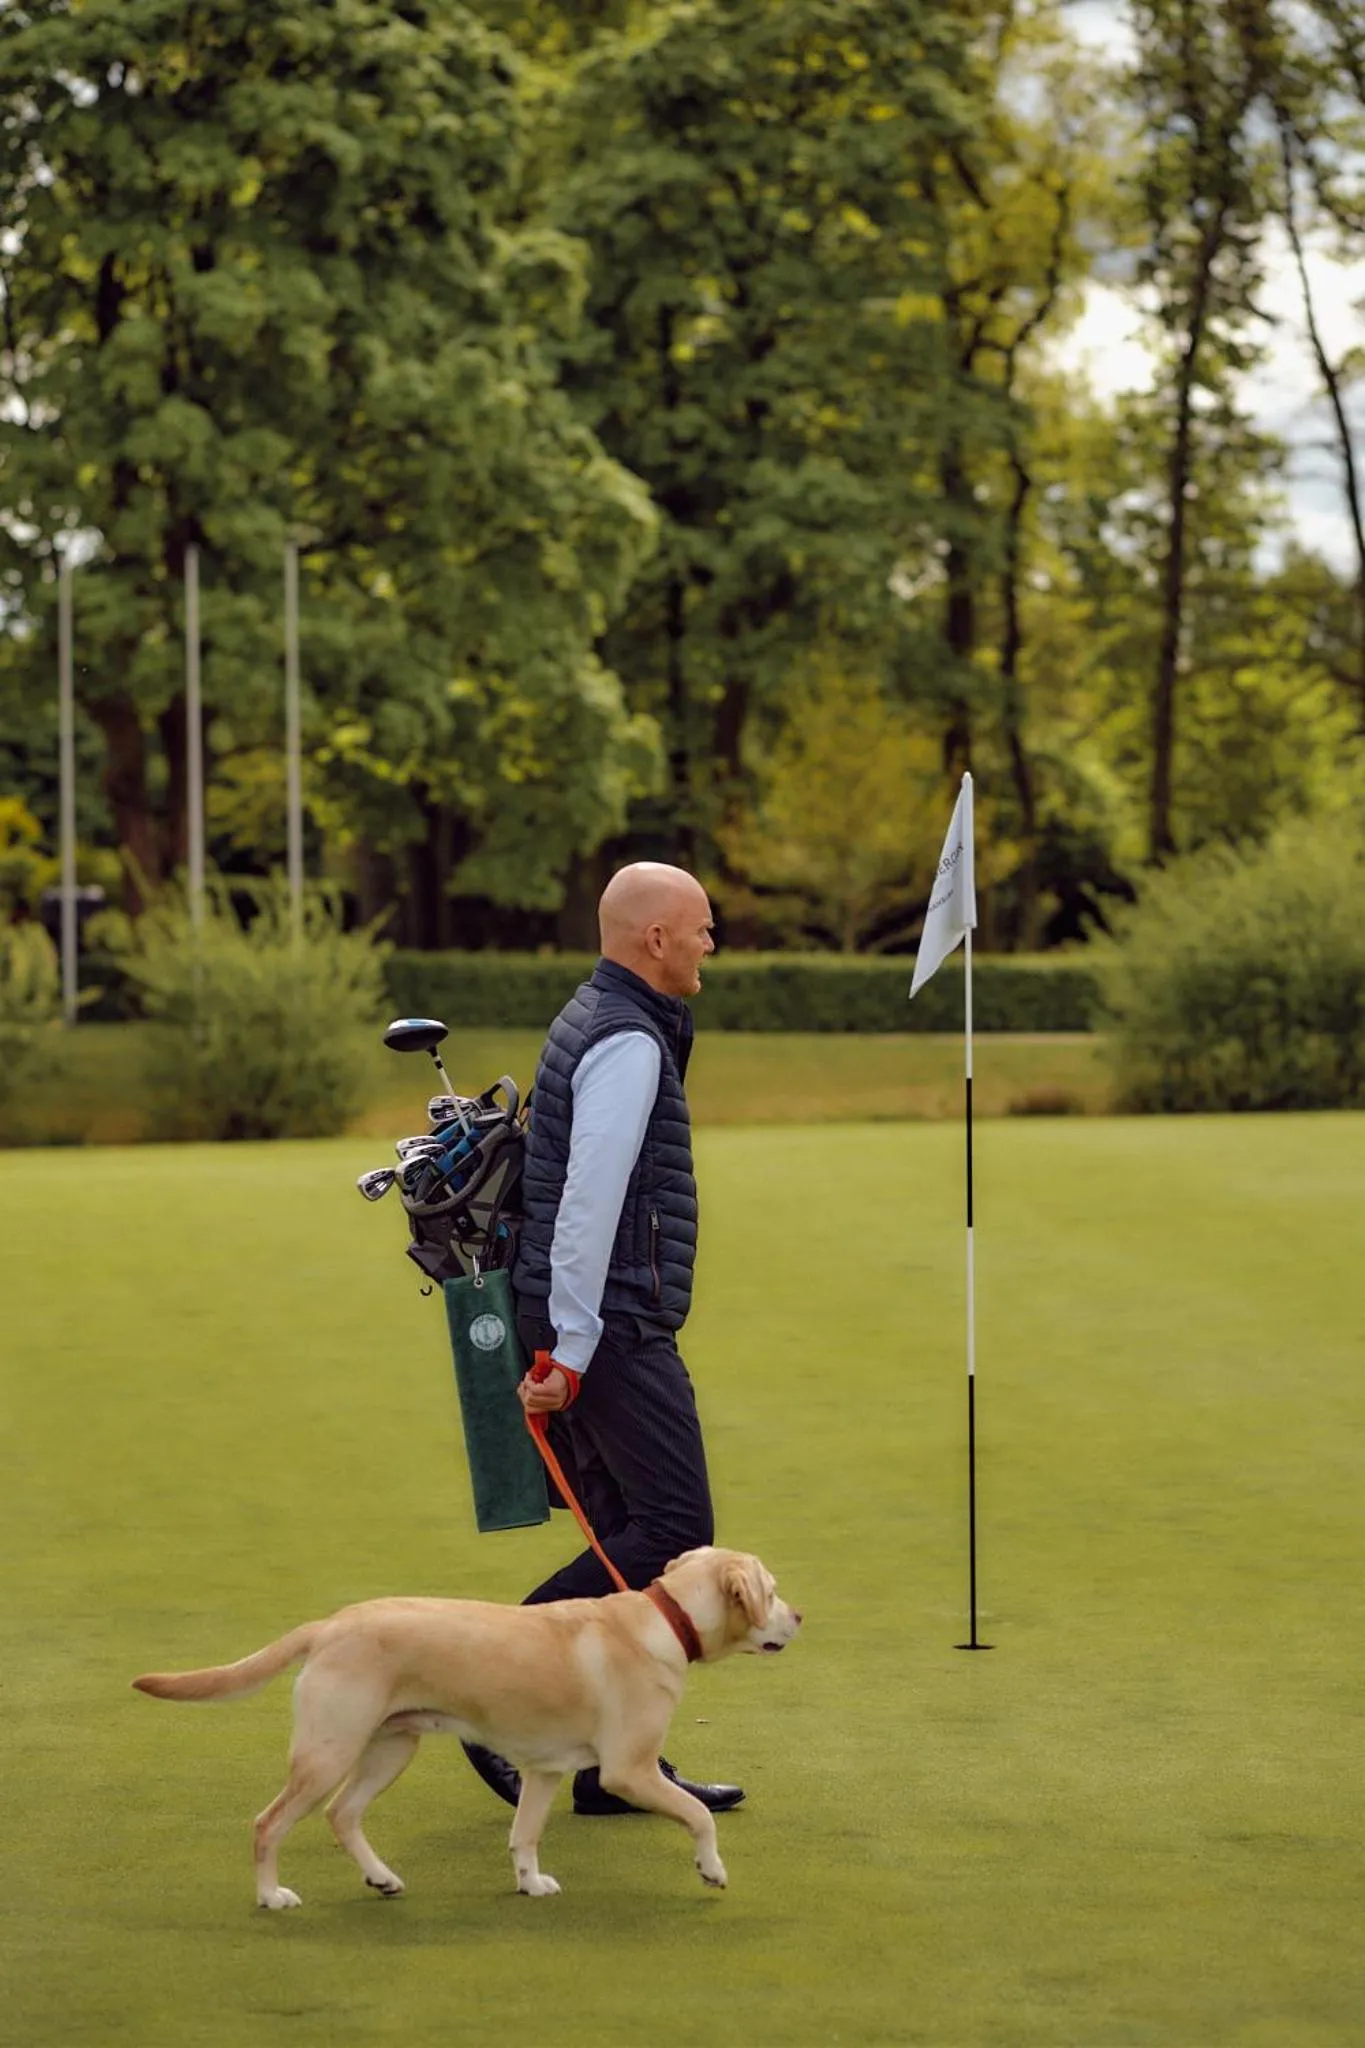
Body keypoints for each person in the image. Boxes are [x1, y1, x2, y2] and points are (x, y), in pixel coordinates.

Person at [461, 861, 744, 1818]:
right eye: (700, 927)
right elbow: (586, 1204)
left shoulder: (606, 1014)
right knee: (673, 1530)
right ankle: (488, 1690)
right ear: (654, 939)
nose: (711, 941)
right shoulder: (625, 1039)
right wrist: (574, 1351)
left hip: (595, 1312)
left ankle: (607, 1767)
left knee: (630, 1537)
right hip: (609, 1321)